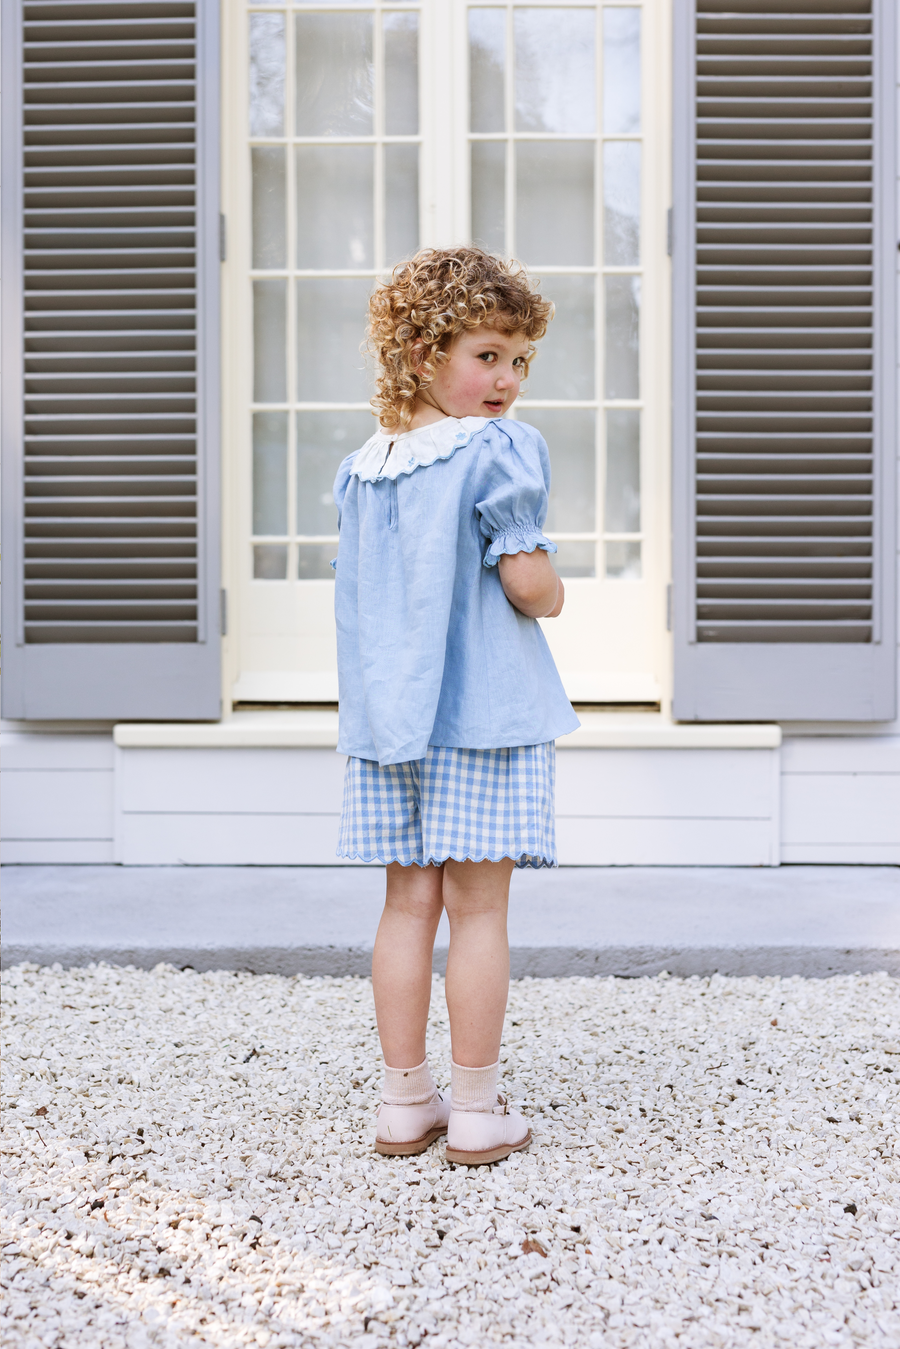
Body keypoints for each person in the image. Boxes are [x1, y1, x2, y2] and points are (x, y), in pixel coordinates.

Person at [332, 247, 579, 1165]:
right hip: (481, 717)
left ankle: (404, 1103)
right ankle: (476, 1109)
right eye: (489, 354)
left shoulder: (365, 468)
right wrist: (552, 588)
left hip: (392, 721)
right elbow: (526, 583)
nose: (508, 379)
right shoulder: (500, 449)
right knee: (479, 910)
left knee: (406, 907)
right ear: (424, 352)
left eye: (520, 360)